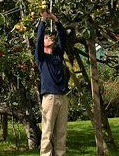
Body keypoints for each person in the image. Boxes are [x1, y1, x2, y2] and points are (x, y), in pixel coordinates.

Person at [35, 11, 69, 156]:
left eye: (49, 36)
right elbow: (38, 41)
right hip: (49, 98)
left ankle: (60, 154)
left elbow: (63, 38)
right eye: (46, 37)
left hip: (62, 97)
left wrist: (55, 20)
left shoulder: (57, 55)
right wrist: (43, 21)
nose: (49, 38)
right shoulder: (41, 58)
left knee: (61, 132)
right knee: (47, 131)